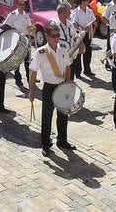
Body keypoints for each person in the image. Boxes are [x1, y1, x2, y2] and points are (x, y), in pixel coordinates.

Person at [28, 22, 76, 156]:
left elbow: (68, 66)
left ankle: (62, 141)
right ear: (47, 37)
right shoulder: (41, 52)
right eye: (54, 36)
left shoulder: (63, 49)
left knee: (63, 115)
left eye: (58, 35)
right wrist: (31, 91)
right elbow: (33, 71)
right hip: (49, 87)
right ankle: (45, 144)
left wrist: (68, 81)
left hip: (61, 85)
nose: (56, 38)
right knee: (47, 117)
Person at [3, 0, 33, 86]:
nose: (22, 6)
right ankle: (18, 79)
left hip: (26, 39)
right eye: (20, 4)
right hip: (16, 40)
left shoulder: (26, 15)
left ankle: (29, 79)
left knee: (28, 61)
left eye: (23, 5)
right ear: (17, 5)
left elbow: (29, 26)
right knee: (17, 61)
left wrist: (31, 28)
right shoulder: (12, 15)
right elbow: (6, 26)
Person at [71, 0, 96, 78]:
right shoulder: (76, 11)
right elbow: (74, 23)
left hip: (88, 34)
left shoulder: (89, 10)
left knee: (88, 53)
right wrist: (81, 29)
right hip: (79, 35)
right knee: (78, 54)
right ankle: (78, 73)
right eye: (86, 0)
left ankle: (87, 70)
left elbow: (93, 20)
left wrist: (90, 27)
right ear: (82, 1)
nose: (88, 1)